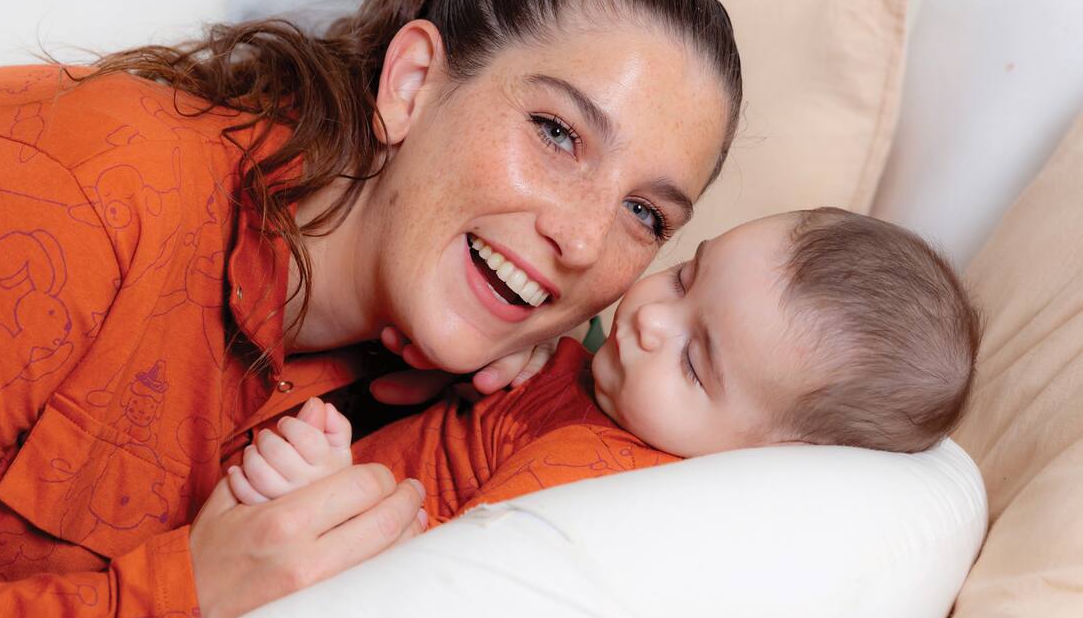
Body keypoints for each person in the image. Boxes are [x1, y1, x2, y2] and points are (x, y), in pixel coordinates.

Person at [0, 0, 743, 618]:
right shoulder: (74, 205)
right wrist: (173, 602)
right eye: (557, 133)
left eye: (645, 215)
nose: (585, 241)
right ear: (410, 85)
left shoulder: (457, 378)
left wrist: (573, 336)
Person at [227, 208, 982, 525]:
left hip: (341, 526)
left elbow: (442, 580)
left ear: (763, 457)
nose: (651, 318)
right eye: (688, 276)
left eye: (694, 361)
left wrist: (325, 496)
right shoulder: (613, 384)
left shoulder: (589, 479)